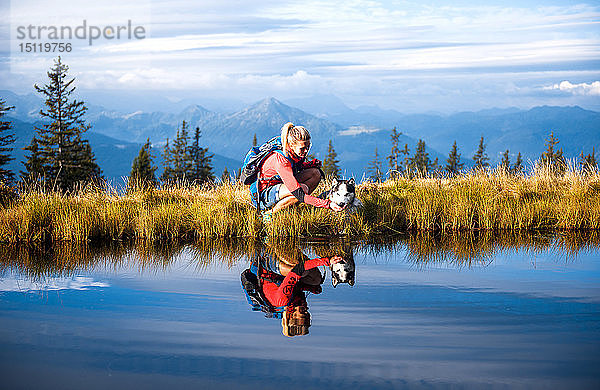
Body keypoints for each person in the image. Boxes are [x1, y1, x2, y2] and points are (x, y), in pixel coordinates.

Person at [257, 122, 345, 218]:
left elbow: (293, 169)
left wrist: (309, 165)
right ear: (291, 144)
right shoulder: (281, 160)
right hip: (264, 195)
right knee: (302, 189)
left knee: (315, 173)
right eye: (302, 148)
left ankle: (290, 207)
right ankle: (268, 215)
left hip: (280, 186)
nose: (306, 151)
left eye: (308, 146)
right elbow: (299, 193)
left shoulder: (294, 152)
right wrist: (327, 204)